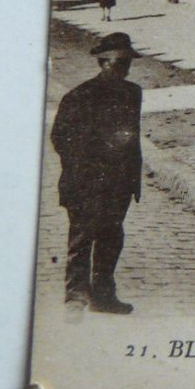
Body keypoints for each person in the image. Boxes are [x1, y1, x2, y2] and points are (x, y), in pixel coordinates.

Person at [50, 32, 144, 314]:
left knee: (111, 238)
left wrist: (130, 177)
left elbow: (132, 136)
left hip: (119, 182)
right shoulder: (79, 95)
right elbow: (60, 137)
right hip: (85, 182)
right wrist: (86, 168)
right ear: (103, 63)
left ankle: (103, 296)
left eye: (127, 63)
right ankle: (75, 298)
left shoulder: (132, 93)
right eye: (117, 63)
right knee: (81, 240)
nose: (123, 69)